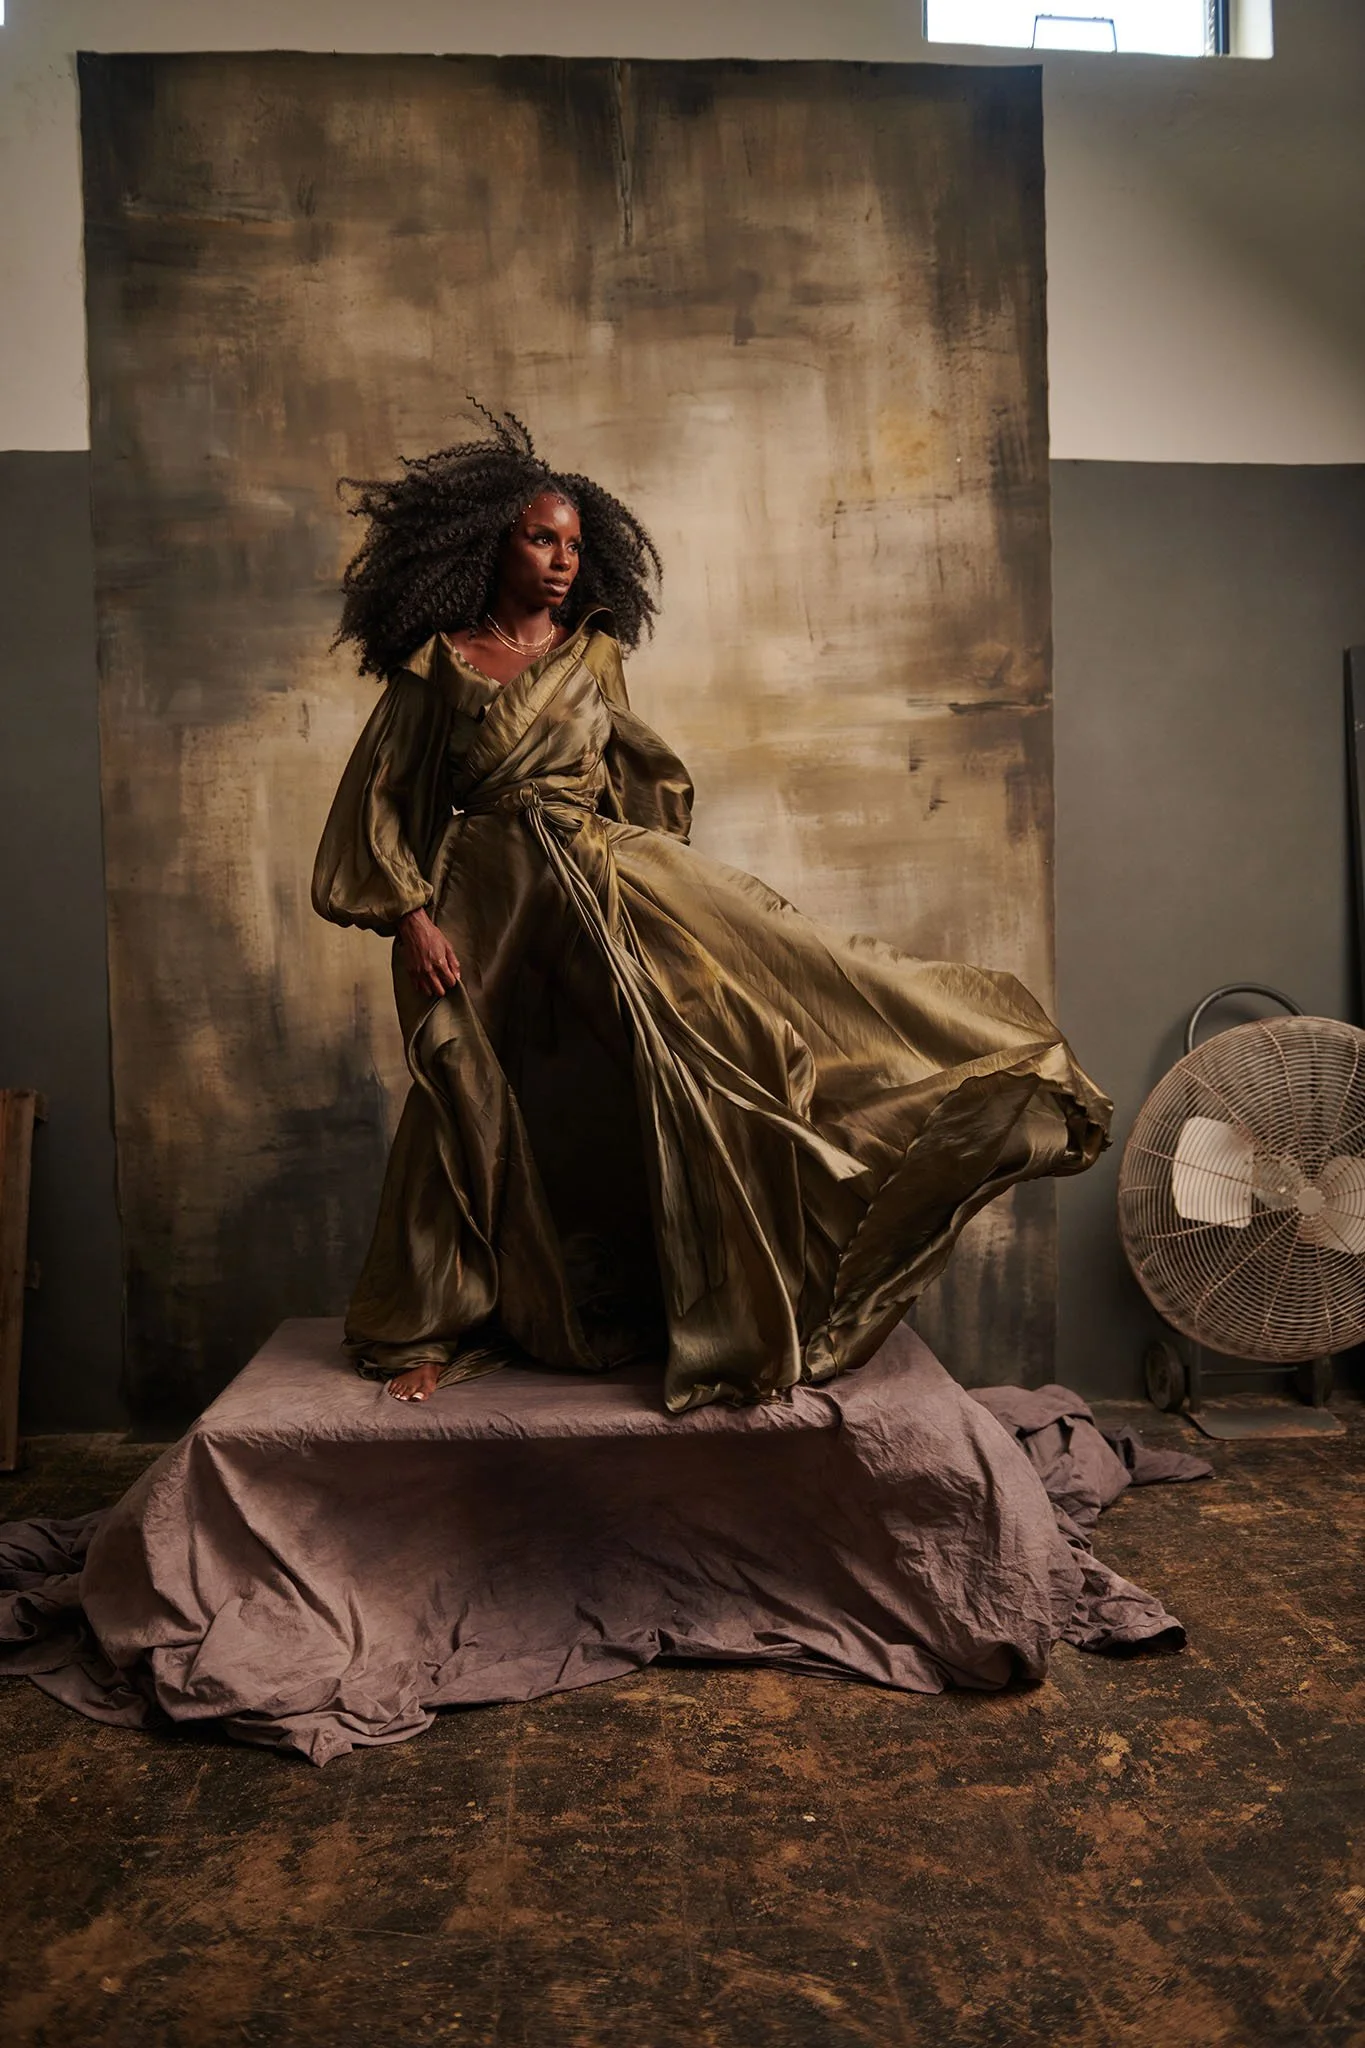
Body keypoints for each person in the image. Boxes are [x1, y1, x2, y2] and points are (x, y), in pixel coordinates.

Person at [313, 410, 1110, 1413]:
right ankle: (423, 1325)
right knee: (458, 1100)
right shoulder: (440, 665)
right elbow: (382, 801)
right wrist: (411, 916)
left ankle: (694, 1295)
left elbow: (638, 778)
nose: (563, 560)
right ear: (490, 542)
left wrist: (656, 893)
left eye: (573, 541)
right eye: (539, 537)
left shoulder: (591, 658)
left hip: (595, 887)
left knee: (679, 1062)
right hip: (476, 902)